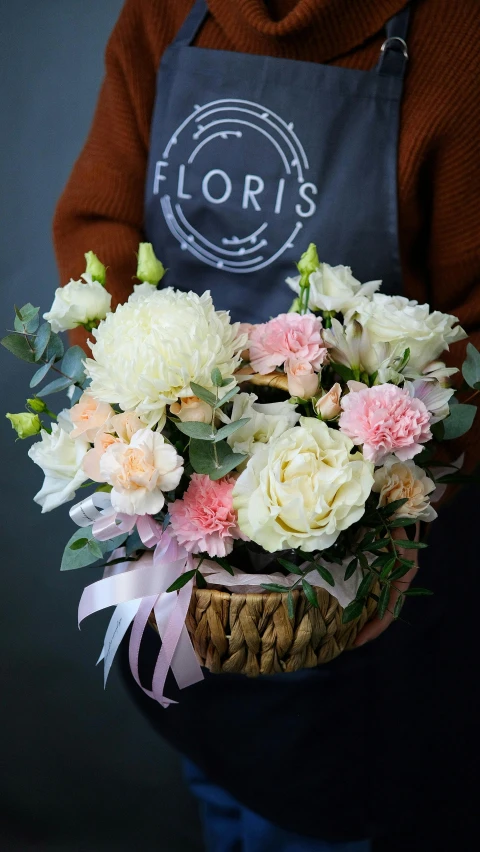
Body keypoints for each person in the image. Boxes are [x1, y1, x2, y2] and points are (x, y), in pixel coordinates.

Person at [53, 1, 480, 849]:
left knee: (337, 810)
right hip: (183, 567)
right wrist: (161, 424)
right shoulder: (164, 14)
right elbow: (97, 231)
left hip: (373, 588)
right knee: (223, 789)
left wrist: (382, 479)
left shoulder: (455, 35)